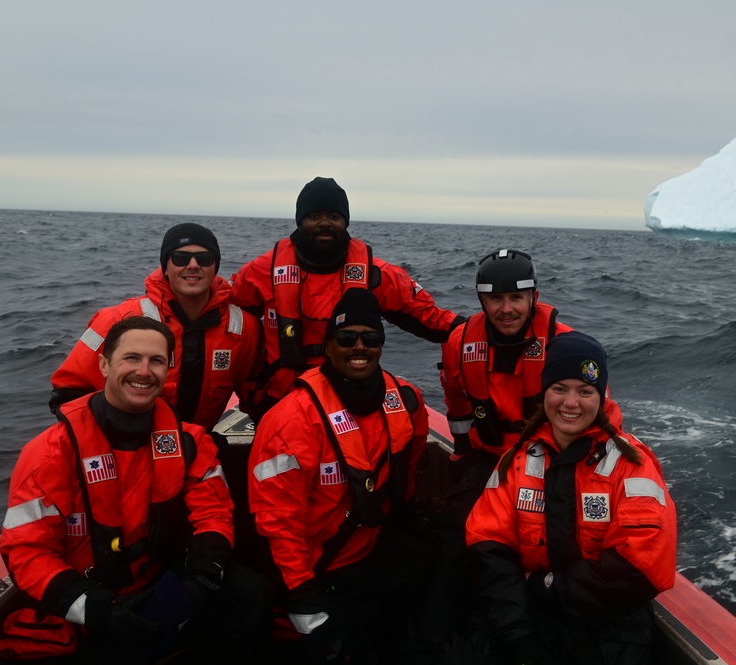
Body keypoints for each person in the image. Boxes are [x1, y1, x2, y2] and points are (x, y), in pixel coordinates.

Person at [0, 317, 273, 664]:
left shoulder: (190, 441)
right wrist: (98, 609)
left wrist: (201, 582)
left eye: (156, 361)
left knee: (251, 592)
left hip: (159, 584)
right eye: (131, 358)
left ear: (168, 370)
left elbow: (213, 515)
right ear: (103, 364)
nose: (144, 371)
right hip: (93, 603)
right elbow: (26, 550)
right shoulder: (52, 452)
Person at [462, 332, 677, 665]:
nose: (571, 403)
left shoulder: (632, 465)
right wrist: (519, 634)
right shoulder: (516, 460)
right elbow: (487, 548)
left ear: (602, 397)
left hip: (610, 625)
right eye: (559, 388)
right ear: (545, 392)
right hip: (527, 612)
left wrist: (546, 586)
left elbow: (640, 569)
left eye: (585, 391)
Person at [248, 288, 434, 663]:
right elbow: (278, 524)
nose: (359, 347)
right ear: (328, 346)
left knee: (441, 567)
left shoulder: (408, 400)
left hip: (371, 552)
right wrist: (303, 596)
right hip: (315, 570)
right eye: (347, 338)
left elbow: (409, 471)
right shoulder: (291, 420)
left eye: (371, 338)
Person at [231, 176, 464, 420]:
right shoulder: (262, 271)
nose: (324, 223)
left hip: (350, 397)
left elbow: (428, 318)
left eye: (333, 217)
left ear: (345, 222)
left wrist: (475, 327)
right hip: (281, 398)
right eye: (314, 217)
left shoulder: (375, 274)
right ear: (301, 222)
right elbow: (224, 315)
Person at [50, 222, 263, 433]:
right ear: (166, 267)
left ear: (214, 266)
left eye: (204, 258)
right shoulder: (117, 319)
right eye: (180, 258)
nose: (193, 265)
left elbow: (256, 394)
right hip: (128, 444)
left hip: (200, 444)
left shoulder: (244, 328)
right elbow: (69, 393)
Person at [440, 248, 573, 519]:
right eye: (496, 299)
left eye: (516, 298)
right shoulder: (458, 343)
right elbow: (455, 398)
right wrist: (461, 449)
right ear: (482, 301)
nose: (507, 309)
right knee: (456, 525)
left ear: (533, 297)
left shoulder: (564, 344)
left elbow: (597, 409)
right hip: (488, 456)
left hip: (550, 456)